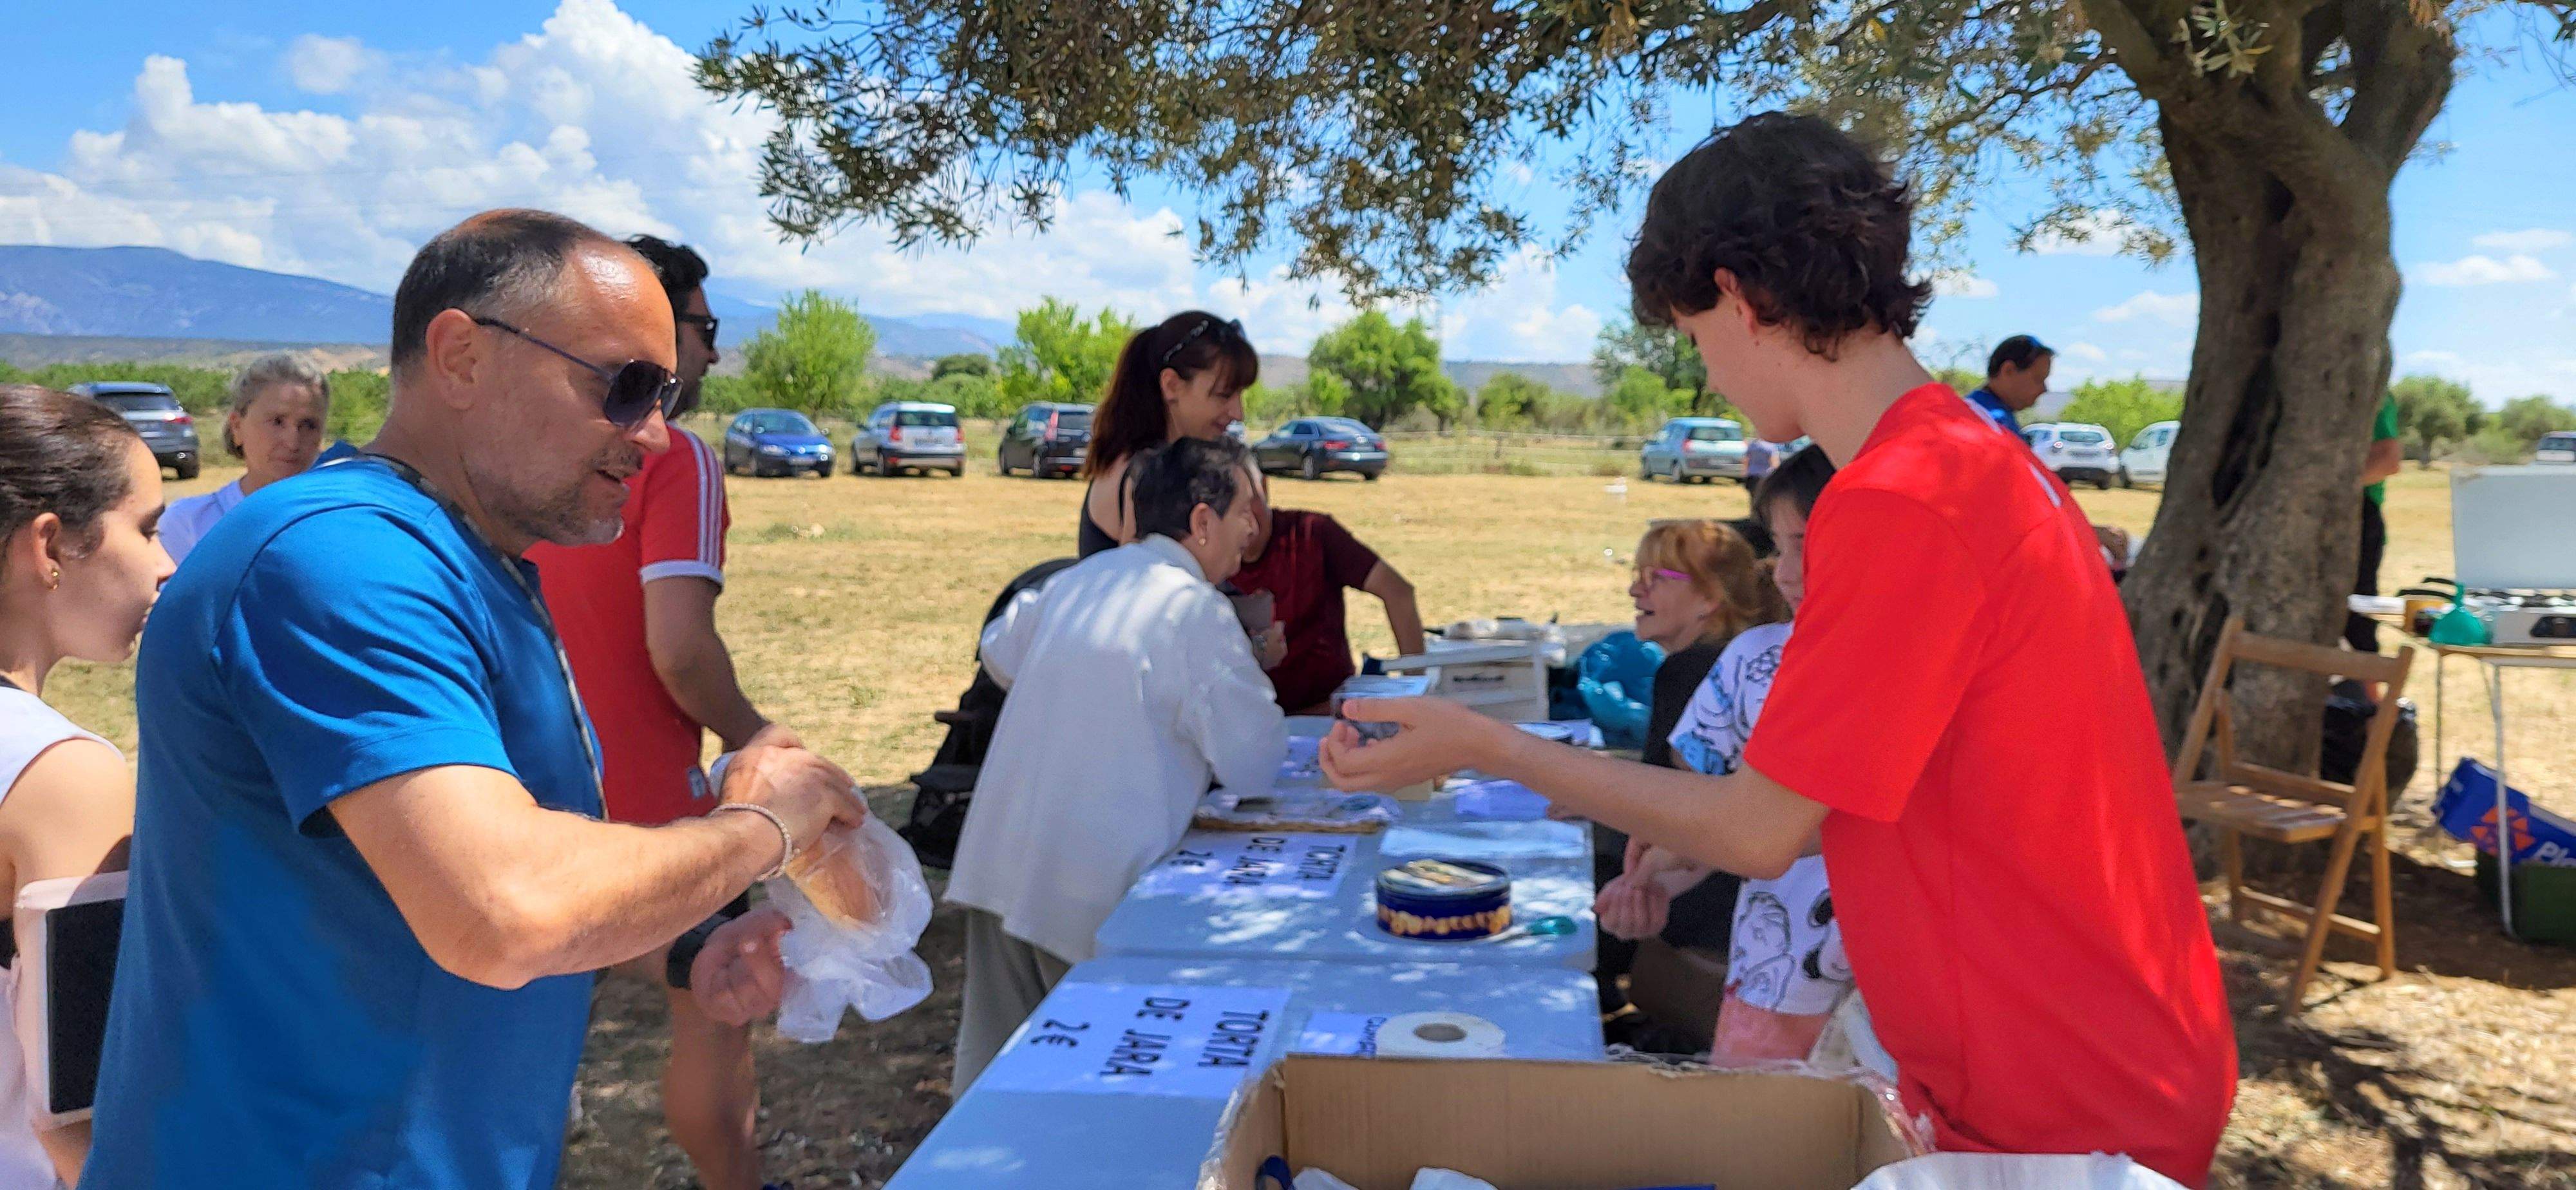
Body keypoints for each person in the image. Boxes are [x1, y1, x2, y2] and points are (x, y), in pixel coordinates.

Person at [1318, 113, 2234, 1185]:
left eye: (1695, 334)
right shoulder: (1974, 464)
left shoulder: (1902, 500)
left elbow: (1757, 827)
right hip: (2080, 1056)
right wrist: (1702, 836)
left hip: (2059, 1090)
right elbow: (1875, 794)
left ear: (1742, 296)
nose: (1705, 373)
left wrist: (1484, 744)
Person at [88, 210, 864, 1190]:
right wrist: (761, 827)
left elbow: (458, 866)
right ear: (460, 356)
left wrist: (681, 948)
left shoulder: (466, 566)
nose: (656, 435)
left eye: (665, 394)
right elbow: (503, 910)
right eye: (625, 388)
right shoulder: (339, 560)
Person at [520, 234, 785, 1190]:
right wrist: (761, 741)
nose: (712, 353)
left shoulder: (524, 456)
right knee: (718, 1025)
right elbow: (680, 649)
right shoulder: (676, 457)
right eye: (704, 329)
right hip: (648, 802)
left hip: (518, 797)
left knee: (523, 1053)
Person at [947, 437, 1285, 1091]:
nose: (1253, 525)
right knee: (1088, 1087)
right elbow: (1256, 763)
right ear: (1201, 520)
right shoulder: (1194, 611)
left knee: (991, 1086)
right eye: (1246, 508)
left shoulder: (1076, 581)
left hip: (999, 864)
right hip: (1087, 890)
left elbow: (1000, 654)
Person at [1601, 446, 1855, 1065]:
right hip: (1777, 980)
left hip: (1896, 990)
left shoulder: (1937, 670)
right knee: (1763, 1140)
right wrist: (1650, 877)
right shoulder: (1750, 662)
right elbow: (1707, 818)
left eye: (1808, 543)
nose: (1785, 570)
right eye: (1779, 544)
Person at [0, 386, 173, 1187]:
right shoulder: (61, 773)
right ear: (48, 546)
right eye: (147, 528)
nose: (166, 564)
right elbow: (86, 1109)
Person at [1596, 517, 1781, 1024]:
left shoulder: (1689, 671)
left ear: (1708, 599)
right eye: (1637, 574)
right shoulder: (1725, 661)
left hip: (1712, 911)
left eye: (1655, 578)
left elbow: (1681, 810)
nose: (1636, 588)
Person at [1229, 459, 1426, 712]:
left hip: (1327, 713)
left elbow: (1397, 591)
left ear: (1265, 488)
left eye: (1250, 500)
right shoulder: (1209, 565)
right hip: (1250, 723)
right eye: (1231, 508)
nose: (1245, 519)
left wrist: (1413, 691)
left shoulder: (1312, 534)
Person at [1078, 312, 1257, 556]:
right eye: (1224, 395)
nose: (1238, 413)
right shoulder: (1144, 475)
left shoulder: (1153, 464)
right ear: (1172, 385)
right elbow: (1149, 588)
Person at [158, 354, 332, 563]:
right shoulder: (189, 525)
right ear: (237, 427)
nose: (292, 441)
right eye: (277, 422)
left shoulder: (339, 523)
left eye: (309, 425)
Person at [2346, 392, 2403, 652]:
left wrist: (2324, 496)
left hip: (2356, 512)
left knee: (2357, 612)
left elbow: (2388, 459)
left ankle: (2367, 693)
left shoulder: (2370, 389)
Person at [1964, 335, 2053, 435]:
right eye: (2038, 379)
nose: (2044, 389)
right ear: (2008, 370)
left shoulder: (1975, 410)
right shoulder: (1990, 423)